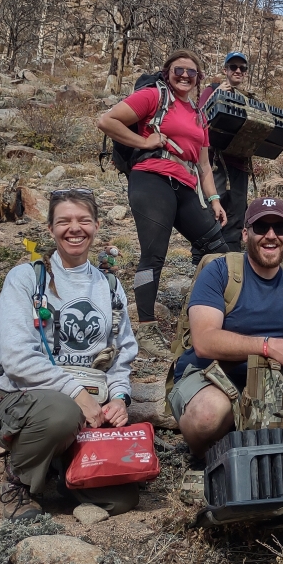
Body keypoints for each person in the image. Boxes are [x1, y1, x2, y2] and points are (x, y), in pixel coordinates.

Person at [0, 189, 140, 520]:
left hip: (91, 406)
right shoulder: (26, 278)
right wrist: (77, 394)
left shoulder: (110, 287)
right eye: (64, 221)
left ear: (96, 226)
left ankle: (61, 470)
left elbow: (122, 352)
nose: (75, 229)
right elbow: (14, 356)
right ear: (51, 228)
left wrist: (120, 398)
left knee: (120, 499)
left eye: (84, 220)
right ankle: (20, 482)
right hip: (21, 401)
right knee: (62, 412)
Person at [169, 197, 283, 457]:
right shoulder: (219, 272)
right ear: (245, 234)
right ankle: (206, 458)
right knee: (208, 414)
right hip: (214, 374)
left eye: (279, 228)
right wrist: (270, 347)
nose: (271, 235)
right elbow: (205, 341)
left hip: (275, 378)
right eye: (261, 227)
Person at [97, 49, 227, 357]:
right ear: (167, 72)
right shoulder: (154, 97)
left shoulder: (199, 114)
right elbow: (107, 120)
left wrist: (215, 200)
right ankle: (146, 326)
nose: (184, 75)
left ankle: (208, 313)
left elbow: (205, 165)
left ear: (199, 78)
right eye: (178, 70)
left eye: (191, 72)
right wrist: (144, 142)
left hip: (184, 185)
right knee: (154, 255)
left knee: (218, 249)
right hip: (151, 179)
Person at [205, 52, 254, 251]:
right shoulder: (211, 90)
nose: (238, 71)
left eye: (242, 68)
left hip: (240, 164)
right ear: (225, 70)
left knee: (237, 212)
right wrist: (216, 96)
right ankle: (207, 256)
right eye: (233, 67)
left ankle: (232, 255)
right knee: (213, 209)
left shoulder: (247, 99)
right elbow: (199, 118)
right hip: (216, 163)